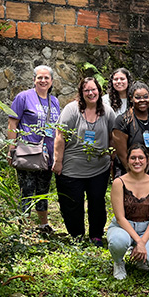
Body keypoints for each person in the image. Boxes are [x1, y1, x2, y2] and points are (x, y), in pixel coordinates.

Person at [52, 77, 116, 246]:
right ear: (81, 93)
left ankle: (96, 235)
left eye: (93, 89)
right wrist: (58, 161)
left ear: (99, 91)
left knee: (97, 202)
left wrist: (112, 159)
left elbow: (113, 138)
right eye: (86, 90)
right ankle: (77, 235)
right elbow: (60, 136)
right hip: (71, 168)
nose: (90, 93)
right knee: (72, 204)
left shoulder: (107, 112)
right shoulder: (71, 110)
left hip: (99, 168)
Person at [7, 65, 60, 233]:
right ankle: (24, 226)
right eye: (40, 78)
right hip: (28, 152)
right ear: (34, 80)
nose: (43, 81)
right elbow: (12, 123)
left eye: (46, 78)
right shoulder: (23, 97)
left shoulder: (54, 101)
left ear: (52, 81)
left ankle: (43, 224)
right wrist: (11, 149)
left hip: (47, 154)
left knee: (43, 190)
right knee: (27, 189)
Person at [107, 144, 149, 280]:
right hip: (123, 226)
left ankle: (140, 257)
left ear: (147, 160)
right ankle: (118, 262)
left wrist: (142, 241)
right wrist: (139, 241)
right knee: (118, 242)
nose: (137, 161)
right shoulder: (119, 182)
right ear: (128, 161)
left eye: (141, 158)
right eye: (133, 158)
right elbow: (120, 217)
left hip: (146, 228)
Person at [111, 81, 149, 178]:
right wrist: (138, 176)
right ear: (131, 99)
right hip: (129, 173)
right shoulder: (122, 121)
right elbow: (122, 155)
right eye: (138, 97)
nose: (142, 100)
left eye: (146, 96)